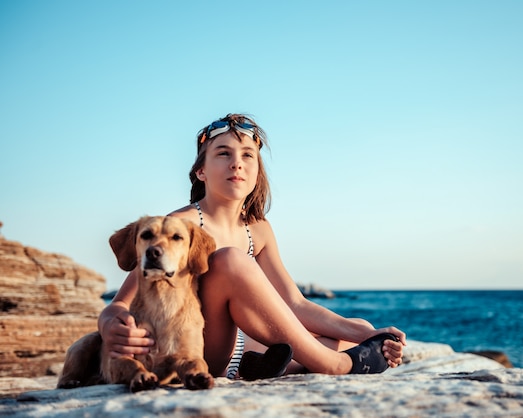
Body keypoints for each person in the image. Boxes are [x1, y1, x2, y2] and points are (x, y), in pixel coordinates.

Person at [98, 113, 406, 380]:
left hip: (244, 346)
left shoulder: (257, 229)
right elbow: (120, 304)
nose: (237, 163)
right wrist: (111, 324)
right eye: (223, 153)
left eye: (247, 155)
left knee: (358, 328)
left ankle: (262, 367)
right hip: (195, 353)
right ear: (200, 171)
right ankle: (335, 365)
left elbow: (295, 304)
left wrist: (367, 334)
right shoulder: (181, 227)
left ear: (257, 170)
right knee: (230, 262)